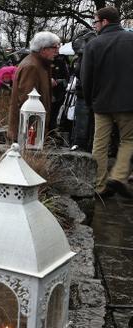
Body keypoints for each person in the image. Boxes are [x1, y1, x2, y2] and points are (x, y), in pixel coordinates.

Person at [82, 6, 133, 197]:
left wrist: (89, 102)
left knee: (99, 145)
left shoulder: (94, 44)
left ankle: (99, 186)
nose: (94, 26)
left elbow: (86, 77)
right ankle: (118, 176)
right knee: (129, 140)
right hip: (129, 103)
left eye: (95, 22)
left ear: (104, 21)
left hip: (101, 103)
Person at [8, 31, 61, 142]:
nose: (57, 51)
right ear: (43, 49)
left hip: (33, 131)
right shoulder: (32, 67)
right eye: (55, 47)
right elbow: (27, 103)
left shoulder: (40, 64)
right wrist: (32, 134)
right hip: (29, 133)